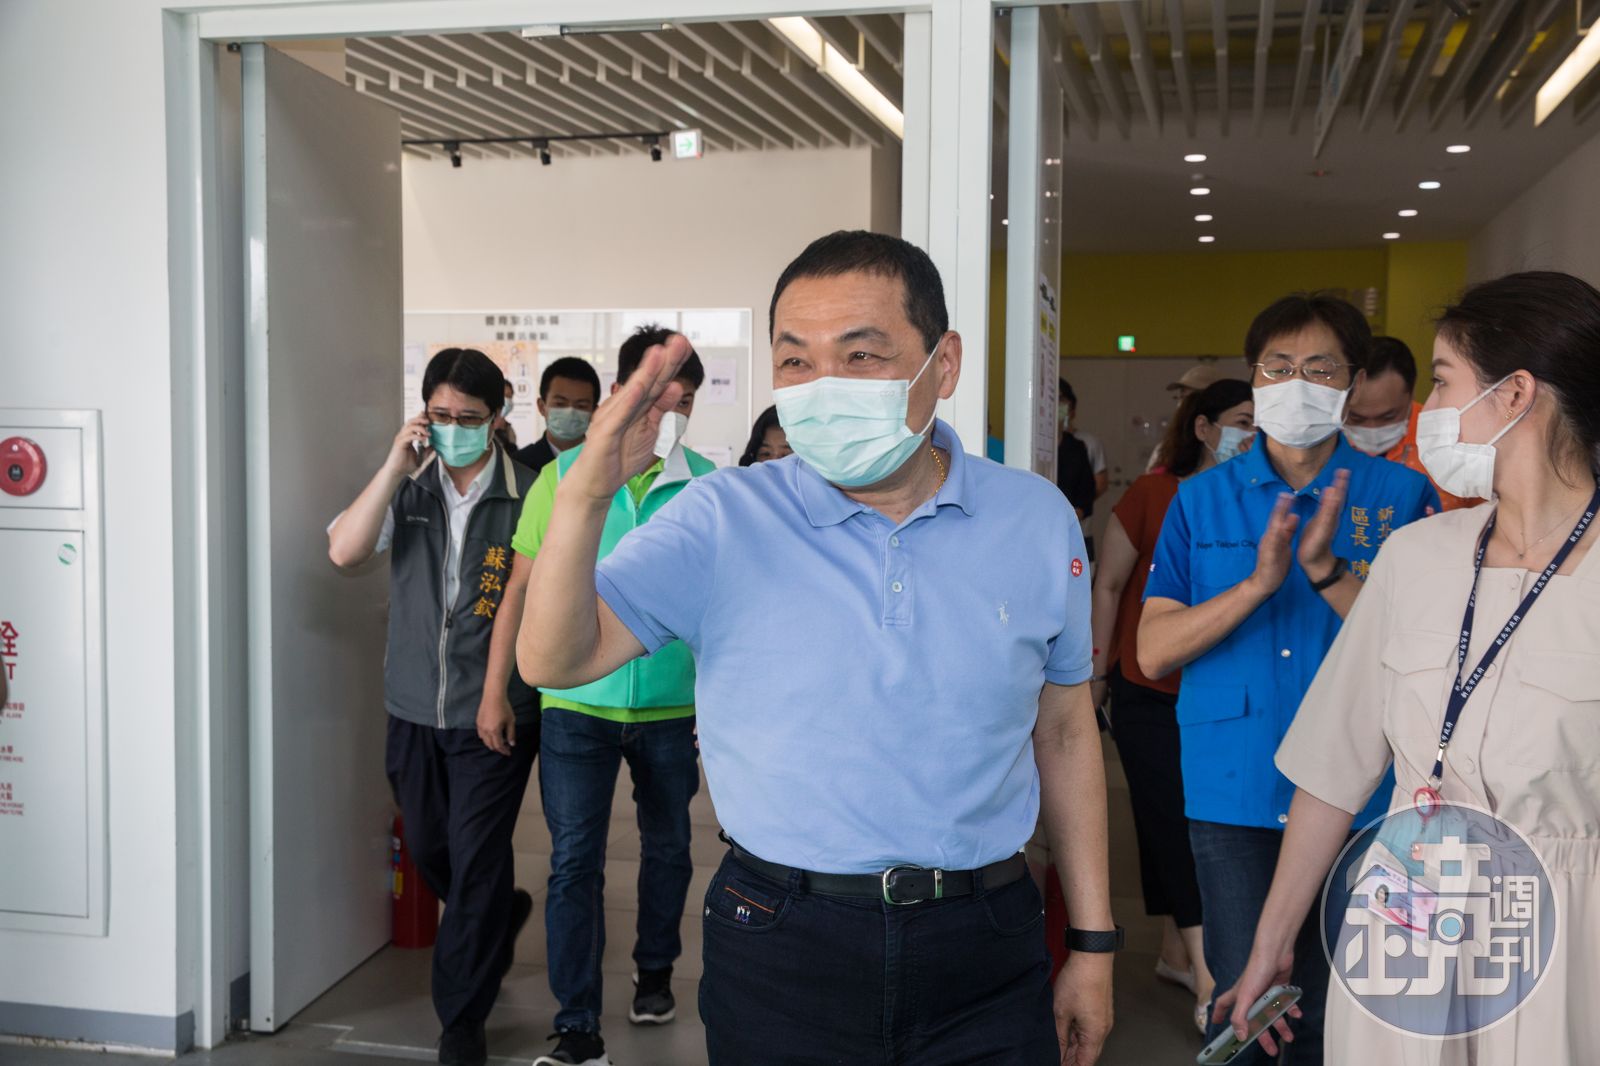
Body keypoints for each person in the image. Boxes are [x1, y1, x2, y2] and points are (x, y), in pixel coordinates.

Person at [517, 231, 1116, 1065]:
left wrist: (1093, 943)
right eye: (796, 361)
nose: (823, 386)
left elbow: (1066, 730)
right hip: (782, 935)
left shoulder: (1035, 518)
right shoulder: (722, 517)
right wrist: (585, 493)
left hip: (984, 937)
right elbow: (553, 660)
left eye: (861, 355)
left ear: (943, 364)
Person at [1219, 271, 1600, 1065]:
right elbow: (1334, 767)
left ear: (1515, 393)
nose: (1429, 410)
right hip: (1407, 923)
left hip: (1569, 935)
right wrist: (1271, 943)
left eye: (1446, 382)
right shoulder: (1417, 557)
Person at [1137, 293, 1440, 1065]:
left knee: (1352, 1012)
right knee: (1247, 1013)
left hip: (1364, 794)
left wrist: (1328, 572)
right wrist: (1255, 587)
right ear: (1254, 376)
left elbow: (1427, 656)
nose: (1295, 383)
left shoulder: (1401, 498)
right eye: (1278, 367)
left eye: (1319, 368)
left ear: (1352, 382)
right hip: (1232, 787)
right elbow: (1153, 652)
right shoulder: (1199, 500)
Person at [495, 327, 711, 1066]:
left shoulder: (708, 485)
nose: (669, 415)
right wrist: (499, 689)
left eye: (684, 402)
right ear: (621, 395)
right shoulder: (564, 477)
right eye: (657, 399)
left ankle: (655, 973)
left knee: (670, 846)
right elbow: (521, 588)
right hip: (575, 708)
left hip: (670, 708)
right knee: (574, 861)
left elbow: (722, 607)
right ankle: (577, 1024)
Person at [326, 348, 539, 1066]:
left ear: (497, 416)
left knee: (475, 860)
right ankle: (498, 913)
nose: (454, 428)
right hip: (414, 706)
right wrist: (394, 465)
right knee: (429, 846)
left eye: (469, 417)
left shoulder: (529, 491)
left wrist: (501, 693)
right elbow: (345, 551)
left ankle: (461, 1021)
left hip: (497, 712)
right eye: (440, 414)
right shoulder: (410, 488)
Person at [1088, 378, 1254, 1034]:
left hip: (1226, 694)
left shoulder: (1258, 500)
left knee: (1196, 823)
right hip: (1148, 691)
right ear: (1205, 428)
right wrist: (1096, 673)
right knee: (1172, 823)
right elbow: (1108, 584)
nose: (1253, 433)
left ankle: (1175, 953)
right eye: (1242, 420)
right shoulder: (1154, 494)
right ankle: (1211, 976)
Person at [1344, 335, 1480, 510]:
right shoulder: (1324, 444)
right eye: (1356, 418)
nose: (1372, 429)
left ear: (1411, 392)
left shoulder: (1456, 440)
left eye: (1388, 417)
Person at [514, 357, 603, 479]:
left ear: (594, 412)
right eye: (560, 404)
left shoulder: (607, 463)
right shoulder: (518, 465)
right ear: (542, 407)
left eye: (581, 406)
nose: (570, 412)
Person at [1058, 379, 1099, 545]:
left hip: (1072, 532)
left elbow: (1088, 492)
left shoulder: (1077, 447)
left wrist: (1074, 516)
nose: (1057, 404)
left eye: (1061, 399)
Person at [1061, 383, 1109, 499]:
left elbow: (1101, 483)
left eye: (1061, 400)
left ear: (1072, 411)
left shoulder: (1088, 443)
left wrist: (1083, 504)